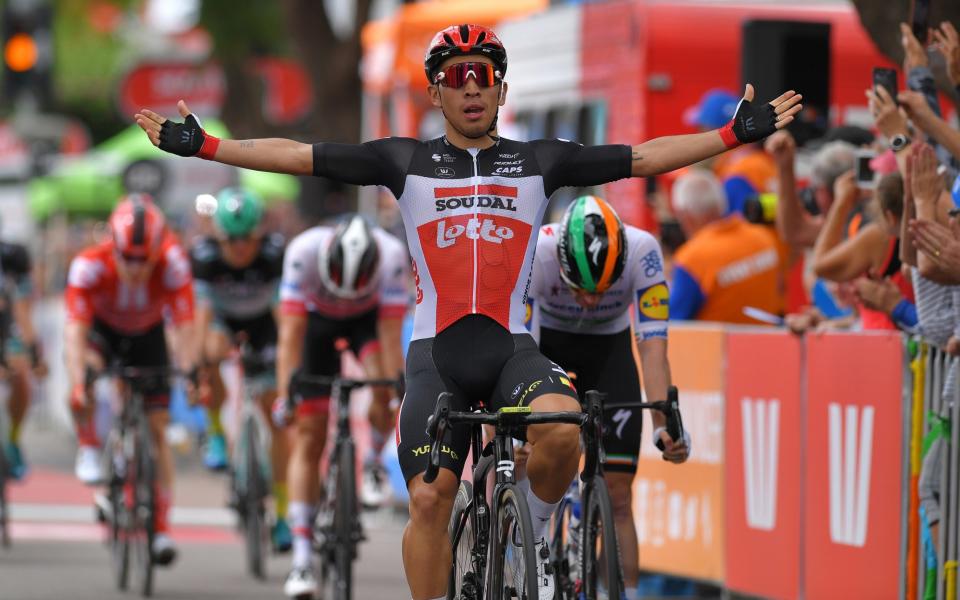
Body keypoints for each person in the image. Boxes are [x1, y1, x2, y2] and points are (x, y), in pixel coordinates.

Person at [134, 22, 801, 599]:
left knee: (565, 429)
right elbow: (299, 157)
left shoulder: (541, 160)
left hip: (514, 348)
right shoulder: (405, 160)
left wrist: (729, 135)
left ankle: (535, 539)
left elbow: (646, 157)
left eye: (485, 76)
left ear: (504, 91)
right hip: (438, 355)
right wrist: (208, 146)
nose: (473, 87)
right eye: (457, 78)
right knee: (429, 497)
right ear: (437, 93)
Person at [525, 195, 689, 599]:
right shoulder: (537, 253)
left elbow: (653, 349)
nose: (592, 300)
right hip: (547, 350)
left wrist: (664, 426)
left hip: (610, 351)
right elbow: (519, 348)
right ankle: (531, 544)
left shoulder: (644, 252)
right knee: (531, 457)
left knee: (618, 496)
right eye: (581, 288)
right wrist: (518, 429)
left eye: (603, 288)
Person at [273, 214, 409, 598]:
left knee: (383, 387)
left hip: (367, 323)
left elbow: (389, 337)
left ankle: (371, 464)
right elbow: (290, 335)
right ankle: (302, 557)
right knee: (310, 435)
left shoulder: (392, 254)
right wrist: (287, 394)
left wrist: (395, 391)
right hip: (317, 324)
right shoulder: (303, 251)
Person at [64, 194, 198, 565]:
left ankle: (161, 528)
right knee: (83, 375)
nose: (136, 268)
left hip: (148, 335)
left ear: (157, 250)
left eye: (144, 260)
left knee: (157, 430)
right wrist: (79, 382)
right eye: (128, 258)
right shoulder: (88, 265)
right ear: (113, 246)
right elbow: (74, 334)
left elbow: (185, 328)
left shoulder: (173, 263)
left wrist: (190, 372)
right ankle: (90, 445)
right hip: (102, 334)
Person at [189, 186, 291, 551]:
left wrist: (287, 367)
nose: (240, 248)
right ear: (219, 237)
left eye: (247, 239)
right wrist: (198, 366)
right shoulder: (204, 257)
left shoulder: (274, 254)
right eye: (231, 241)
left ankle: (282, 515)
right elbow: (200, 319)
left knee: (278, 418)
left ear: (258, 234)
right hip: (223, 322)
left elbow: (286, 318)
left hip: (265, 324)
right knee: (210, 349)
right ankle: (216, 434)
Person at [670, 169, 782, 323]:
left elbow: (674, 321)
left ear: (685, 215)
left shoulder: (691, 258)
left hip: (716, 346)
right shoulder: (762, 236)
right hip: (768, 339)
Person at [0, 239, 46, 481]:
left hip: (7, 331)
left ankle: (13, 440)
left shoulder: (15, 256)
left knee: (20, 376)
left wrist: (35, 355)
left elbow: (22, 315)